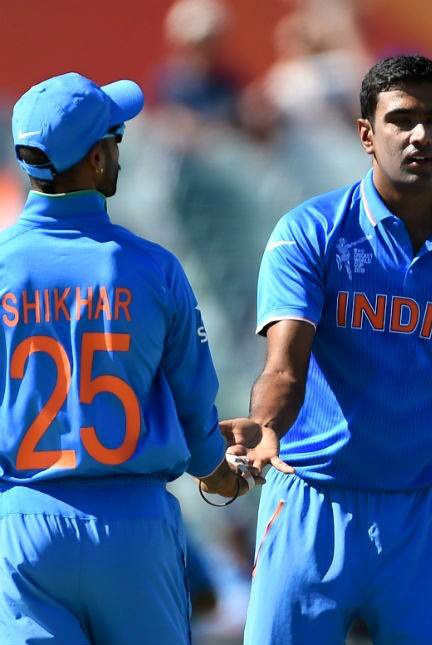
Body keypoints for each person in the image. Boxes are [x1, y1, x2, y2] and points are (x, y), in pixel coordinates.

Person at [222, 55, 432, 645]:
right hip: (313, 502)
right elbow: (284, 368)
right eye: (402, 120)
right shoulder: (310, 231)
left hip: (430, 517)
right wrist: (265, 426)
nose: (420, 135)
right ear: (366, 133)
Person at [0, 72, 255, 644]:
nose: (120, 152)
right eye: (114, 139)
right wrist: (220, 473)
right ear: (95, 159)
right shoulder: (152, 267)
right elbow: (193, 406)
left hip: (23, 524)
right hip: (133, 529)